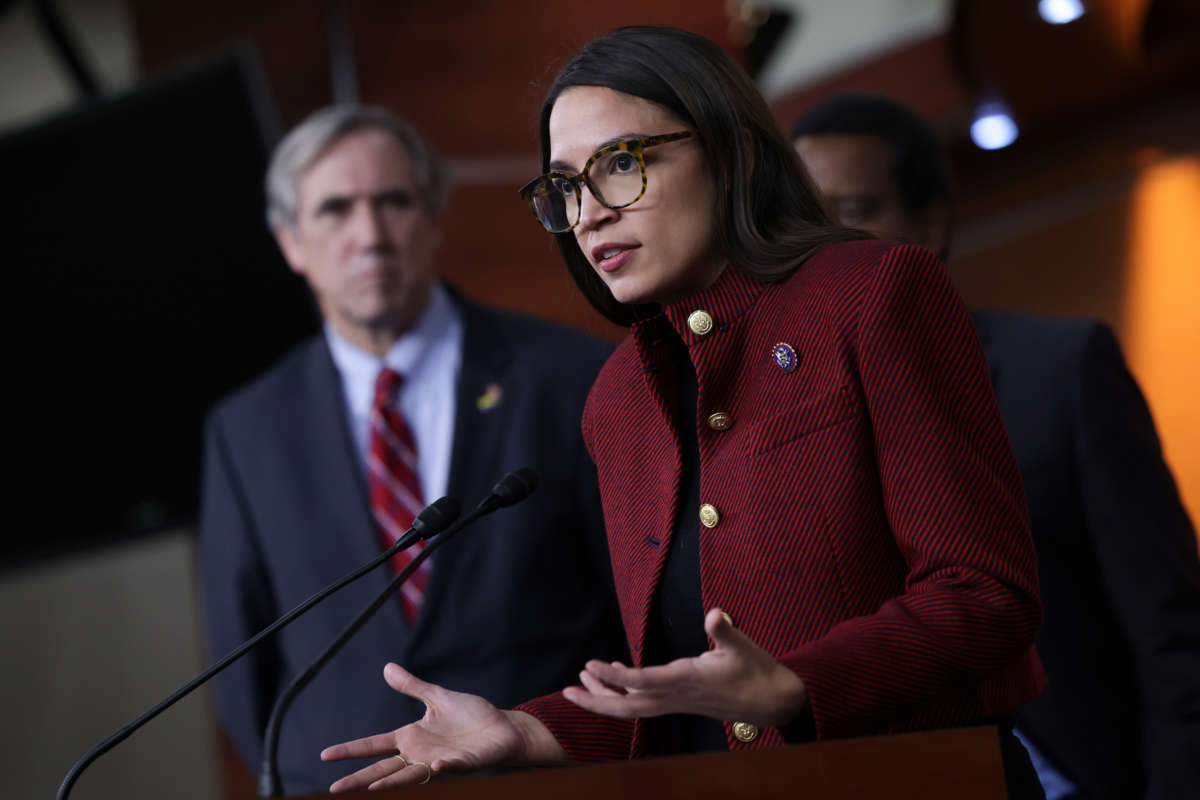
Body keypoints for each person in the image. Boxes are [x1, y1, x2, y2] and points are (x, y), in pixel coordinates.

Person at [319, 27, 1047, 796]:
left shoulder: (872, 293)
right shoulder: (617, 399)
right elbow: (677, 696)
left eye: (623, 164)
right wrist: (528, 730)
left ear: (732, 153)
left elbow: (987, 594)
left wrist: (796, 687)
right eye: (565, 186)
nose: (591, 212)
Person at [199, 105, 628, 795]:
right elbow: (240, 668)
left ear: (433, 219)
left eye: (392, 202)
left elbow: (632, 611)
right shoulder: (244, 429)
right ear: (291, 243)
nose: (368, 235)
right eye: (335, 210)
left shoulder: (570, 377)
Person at [792, 93, 1200, 800]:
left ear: (931, 222)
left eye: (855, 211)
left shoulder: (1061, 370)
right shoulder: (774, 425)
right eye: (803, 220)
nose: (826, 244)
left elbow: (1172, 631)